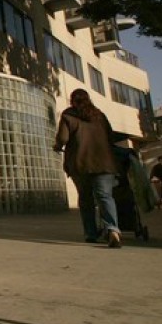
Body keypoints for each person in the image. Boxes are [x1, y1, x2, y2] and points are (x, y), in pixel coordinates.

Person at [53, 89, 121, 247]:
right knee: (105, 196)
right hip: (104, 163)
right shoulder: (99, 115)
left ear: (72, 100)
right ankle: (113, 230)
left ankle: (91, 233)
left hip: (80, 163)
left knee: (85, 199)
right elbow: (110, 136)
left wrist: (57, 146)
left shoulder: (68, 114)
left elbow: (63, 138)